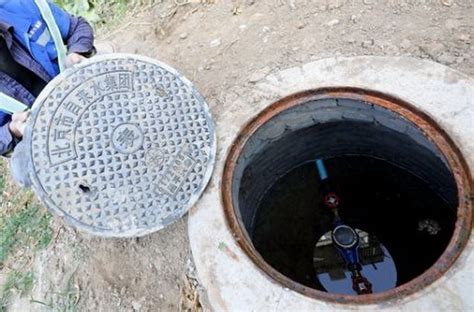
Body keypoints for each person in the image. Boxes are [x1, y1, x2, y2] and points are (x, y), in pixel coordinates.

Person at [0, 0, 95, 186]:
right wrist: (12, 130)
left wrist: (77, 52)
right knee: (23, 170)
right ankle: (78, 185)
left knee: (107, 59)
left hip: (80, 92)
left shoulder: (21, 6)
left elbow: (77, 27)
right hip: (43, 134)